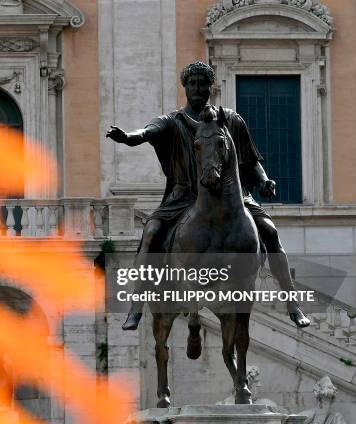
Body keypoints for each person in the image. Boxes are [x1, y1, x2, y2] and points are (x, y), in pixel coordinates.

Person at [106, 61, 310, 330]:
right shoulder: (172, 122)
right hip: (183, 197)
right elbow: (146, 132)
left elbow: (250, 160)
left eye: (203, 83)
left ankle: (292, 302)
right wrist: (128, 138)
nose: (198, 88)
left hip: (231, 197)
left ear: (211, 87)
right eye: (193, 83)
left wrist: (264, 181)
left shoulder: (231, 120)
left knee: (270, 232)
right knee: (152, 232)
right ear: (185, 87)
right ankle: (136, 306)